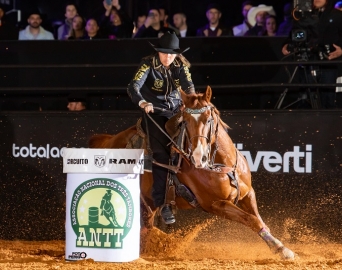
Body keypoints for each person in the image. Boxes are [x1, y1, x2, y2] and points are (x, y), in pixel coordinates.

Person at [127, 32, 195, 224]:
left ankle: (189, 188)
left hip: (176, 111)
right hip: (154, 112)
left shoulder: (180, 66)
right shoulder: (147, 64)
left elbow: (189, 86)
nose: (168, 57)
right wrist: (142, 102)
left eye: (172, 54)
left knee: (195, 141)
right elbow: (133, 86)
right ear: (158, 52)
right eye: (164, 53)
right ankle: (162, 203)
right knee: (161, 154)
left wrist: (188, 101)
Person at [282, 0, 342, 109]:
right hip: (307, 61)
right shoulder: (302, 15)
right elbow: (296, 33)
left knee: (328, 98)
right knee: (307, 97)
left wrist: (341, 50)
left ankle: (328, 123)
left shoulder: (337, 15)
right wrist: (287, 44)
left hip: (329, 62)